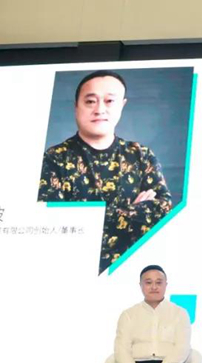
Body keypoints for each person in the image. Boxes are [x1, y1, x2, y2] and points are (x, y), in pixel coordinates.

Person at [38, 70, 172, 273]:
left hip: (134, 270)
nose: (100, 109)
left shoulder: (141, 155)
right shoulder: (54, 158)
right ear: (76, 106)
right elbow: (56, 225)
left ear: (122, 105)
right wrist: (134, 212)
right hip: (72, 270)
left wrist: (97, 217)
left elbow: (164, 212)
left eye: (109, 101)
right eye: (90, 101)